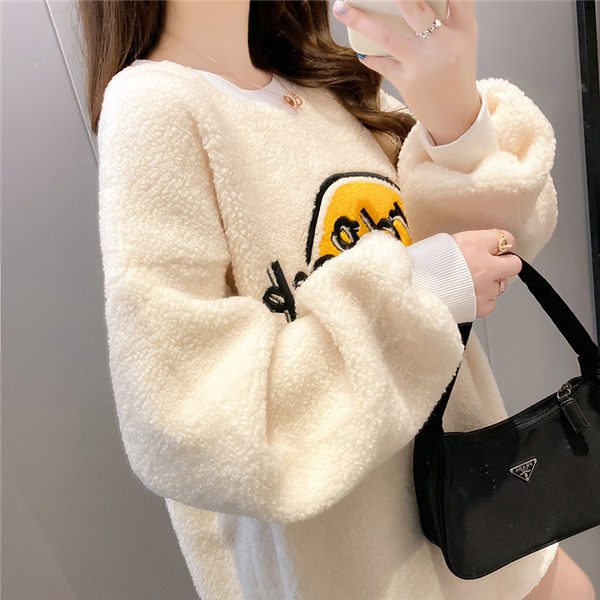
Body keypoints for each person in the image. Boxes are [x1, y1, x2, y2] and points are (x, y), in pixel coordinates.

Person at [79, 0, 595, 598]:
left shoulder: (329, 83)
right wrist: (423, 288)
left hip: (481, 517)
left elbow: (503, 244)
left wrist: (456, 114)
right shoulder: (154, 104)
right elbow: (186, 417)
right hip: (359, 572)